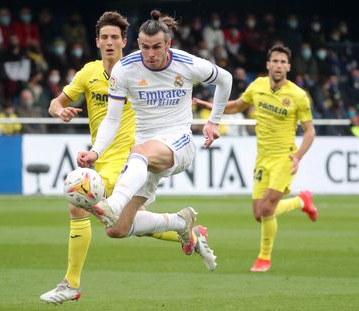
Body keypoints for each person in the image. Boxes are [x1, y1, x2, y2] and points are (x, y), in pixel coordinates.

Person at [40, 11, 215, 305]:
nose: (109, 43)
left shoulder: (139, 70)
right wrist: (61, 111)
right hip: (104, 159)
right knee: (120, 227)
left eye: (115, 38)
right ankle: (181, 226)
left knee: (78, 205)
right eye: (104, 38)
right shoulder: (88, 74)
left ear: (125, 41)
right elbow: (55, 103)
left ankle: (70, 284)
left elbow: (173, 86)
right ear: (97, 42)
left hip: (137, 158)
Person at [76, 10, 231, 268]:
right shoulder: (124, 70)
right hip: (144, 157)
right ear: (137, 44)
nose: (151, 53)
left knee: (138, 153)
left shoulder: (187, 63)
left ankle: (114, 203)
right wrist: (96, 151)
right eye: (145, 47)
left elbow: (225, 79)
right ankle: (181, 223)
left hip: (177, 143)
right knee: (118, 229)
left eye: (157, 47)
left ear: (168, 43)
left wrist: (214, 120)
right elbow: (112, 119)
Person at [193, 43, 318, 272]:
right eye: (275, 61)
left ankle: (264, 258)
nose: (278, 65)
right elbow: (237, 106)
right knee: (259, 214)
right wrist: (212, 107)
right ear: (268, 64)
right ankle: (302, 201)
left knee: (267, 208)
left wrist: (298, 156)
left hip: (284, 158)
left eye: (283, 62)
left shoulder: (298, 96)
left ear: (288, 67)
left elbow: (310, 131)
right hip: (263, 158)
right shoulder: (257, 86)